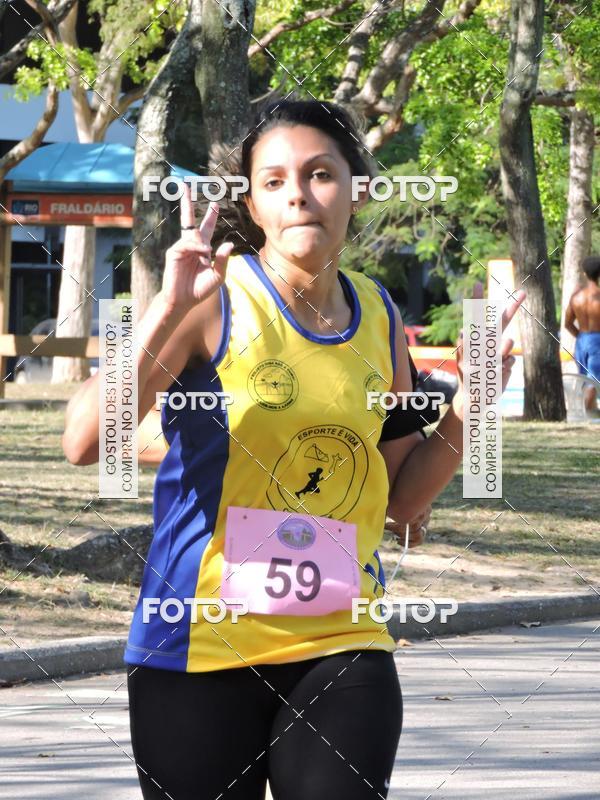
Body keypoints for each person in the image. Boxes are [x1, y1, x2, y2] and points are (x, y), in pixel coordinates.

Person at [62, 97, 524, 800]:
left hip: (342, 642)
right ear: (251, 201)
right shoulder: (209, 296)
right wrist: (164, 304)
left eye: (320, 174)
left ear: (357, 188)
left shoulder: (381, 314)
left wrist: (470, 405)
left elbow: (402, 504)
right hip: (197, 647)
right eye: (274, 181)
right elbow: (85, 441)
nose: (299, 195)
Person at [565, 255, 600, 412]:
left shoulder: (576, 297)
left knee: (584, 379)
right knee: (593, 381)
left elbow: (567, 324)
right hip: (597, 340)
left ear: (585, 273)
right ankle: (585, 414)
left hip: (581, 341)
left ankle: (591, 416)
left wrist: (581, 336)